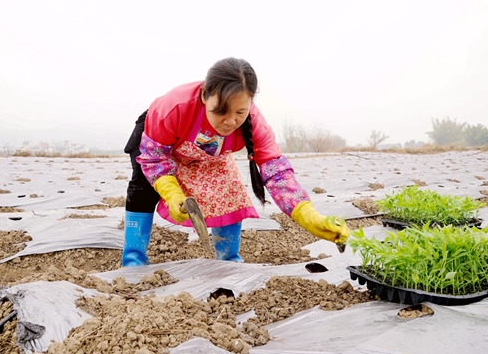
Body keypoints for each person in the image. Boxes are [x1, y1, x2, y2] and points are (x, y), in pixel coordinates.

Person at [122, 57, 350, 267]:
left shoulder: (254, 123)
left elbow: (276, 171)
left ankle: (228, 262)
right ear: (204, 96)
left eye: (240, 112)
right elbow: (154, 158)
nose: (230, 121)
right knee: (144, 187)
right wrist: (172, 194)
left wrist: (308, 215)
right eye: (221, 111)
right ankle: (134, 260)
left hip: (209, 151)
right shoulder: (174, 108)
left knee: (229, 186)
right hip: (162, 143)